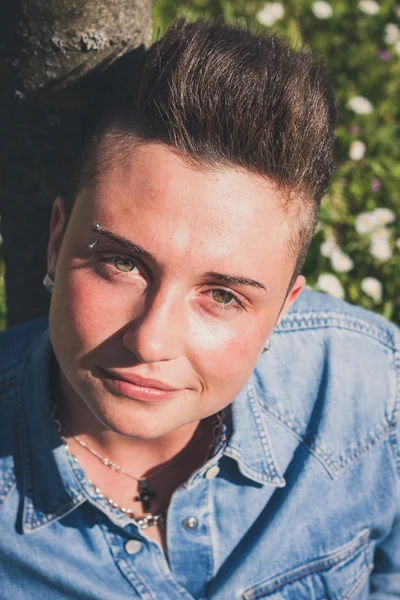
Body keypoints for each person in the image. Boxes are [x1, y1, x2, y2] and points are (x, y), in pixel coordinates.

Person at [0, 17, 399, 600]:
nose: (150, 342)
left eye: (222, 296)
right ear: (57, 242)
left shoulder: (373, 392)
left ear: (285, 309)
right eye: (123, 263)